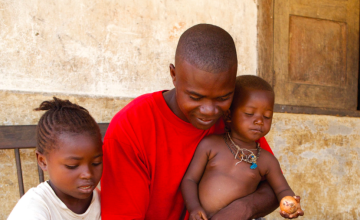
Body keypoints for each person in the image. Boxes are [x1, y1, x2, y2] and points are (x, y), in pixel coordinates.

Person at [101, 24, 294, 220]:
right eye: (195, 97)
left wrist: (243, 209)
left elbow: (273, 185)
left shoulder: (235, 119)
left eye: (222, 98)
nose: (209, 111)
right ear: (174, 75)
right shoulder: (132, 126)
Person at [181, 75, 304, 220]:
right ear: (228, 115)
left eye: (267, 116)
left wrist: (291, 204)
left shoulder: (267, 161)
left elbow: (282, 189)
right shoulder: (210, 145)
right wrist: (194, 207)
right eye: (249, 114)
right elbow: (189, 180)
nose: (259, 121)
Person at [8, 97, 103, 220]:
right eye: (72, 165)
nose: (87, 174)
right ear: (43, 161)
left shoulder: (103, 201)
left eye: (96, 163)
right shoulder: (32, 209)